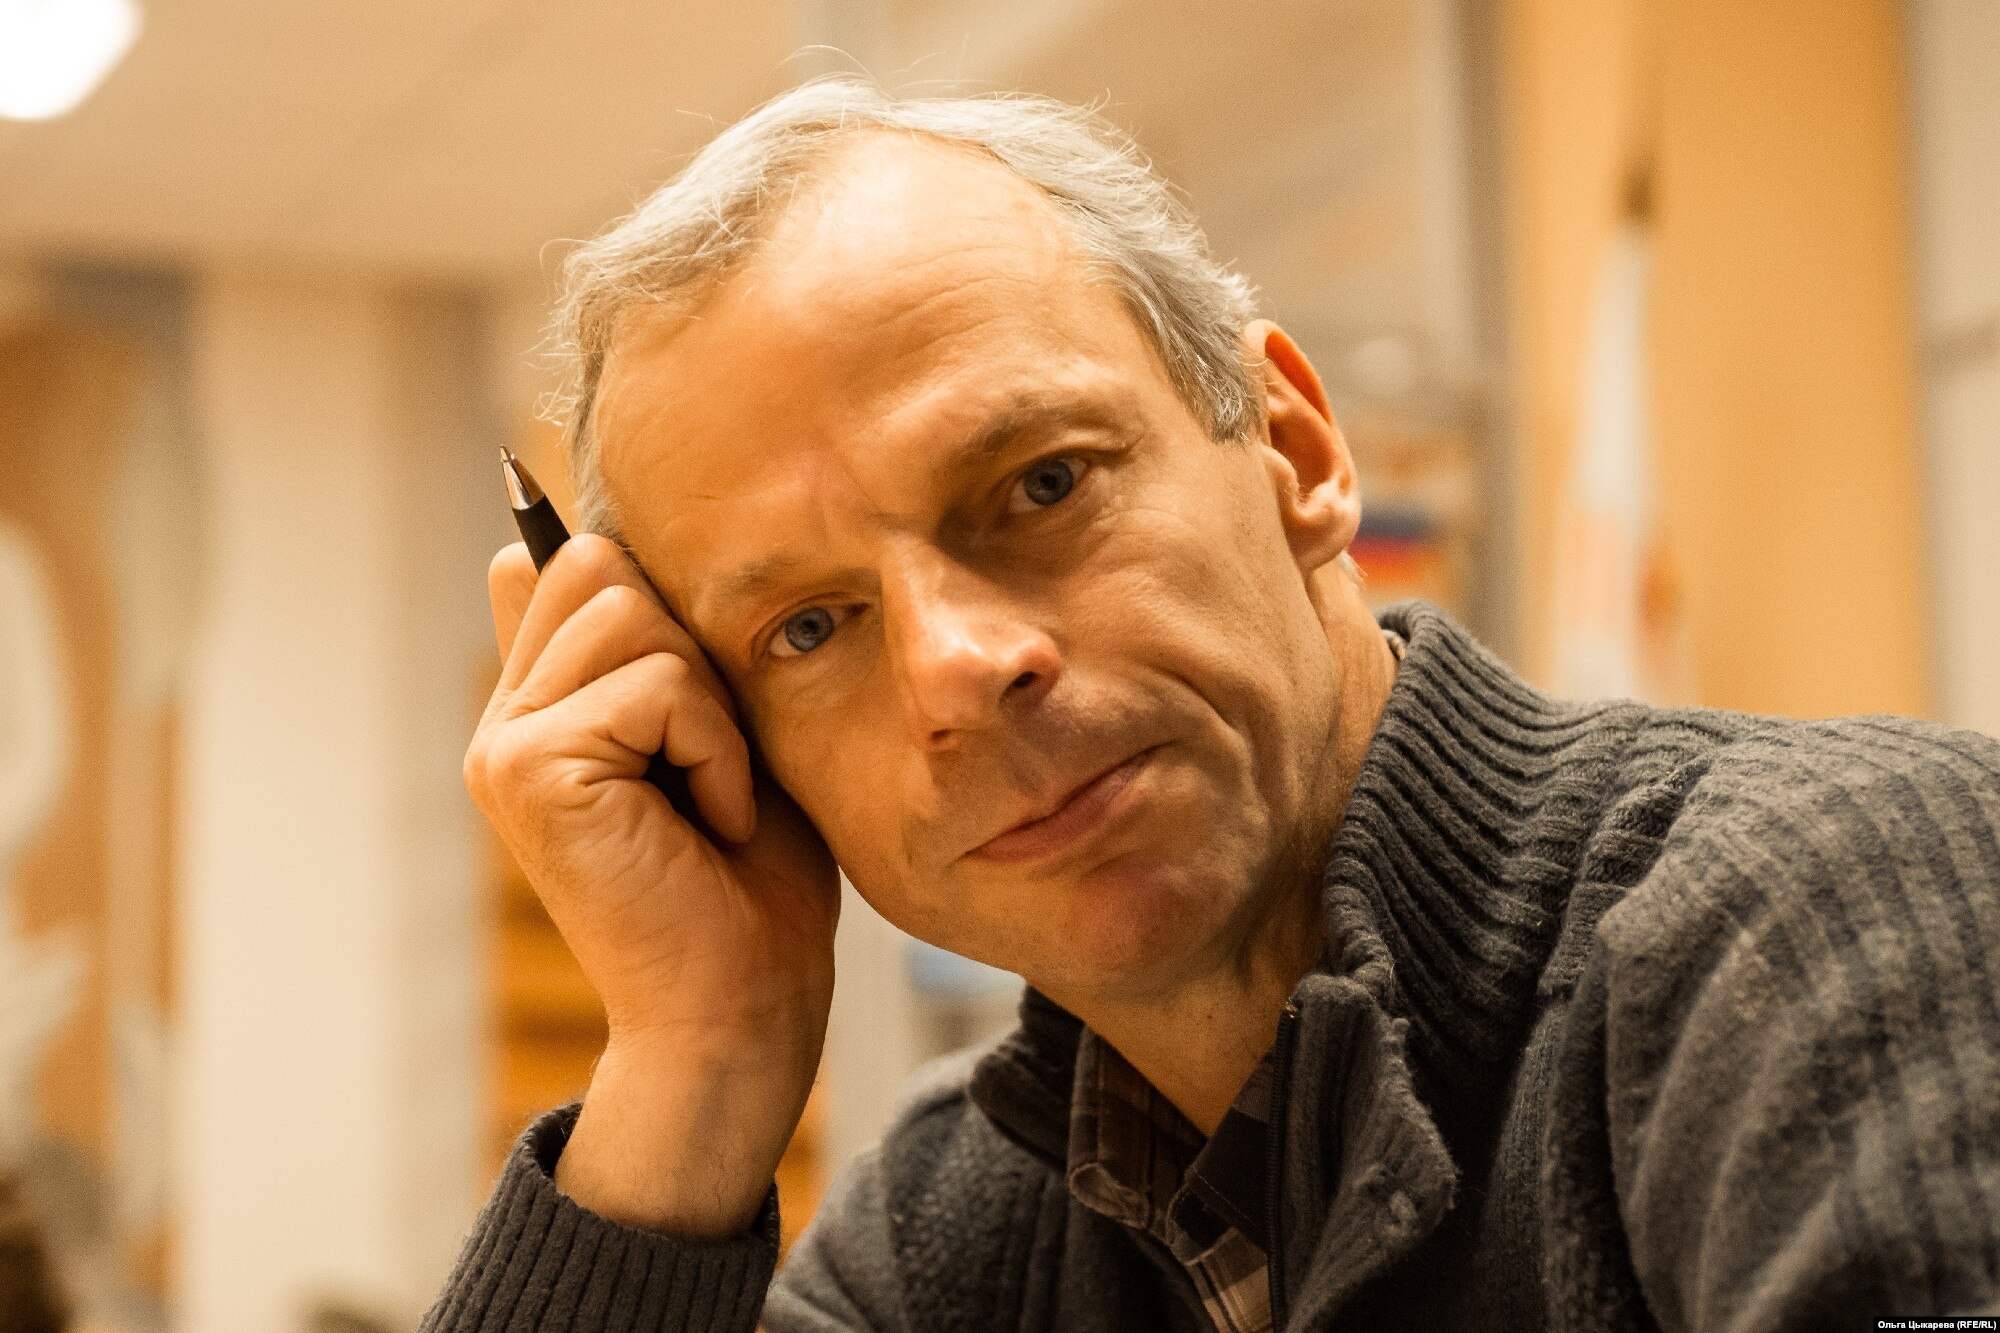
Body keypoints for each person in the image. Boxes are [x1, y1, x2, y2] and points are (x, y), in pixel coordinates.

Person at [426, 79, 2000, 1332]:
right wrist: (699, 1051)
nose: (958, 667)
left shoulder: (1818, 921)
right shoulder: (947, 1235)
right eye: (809, 626)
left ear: (1296, 452)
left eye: (1042, 483)